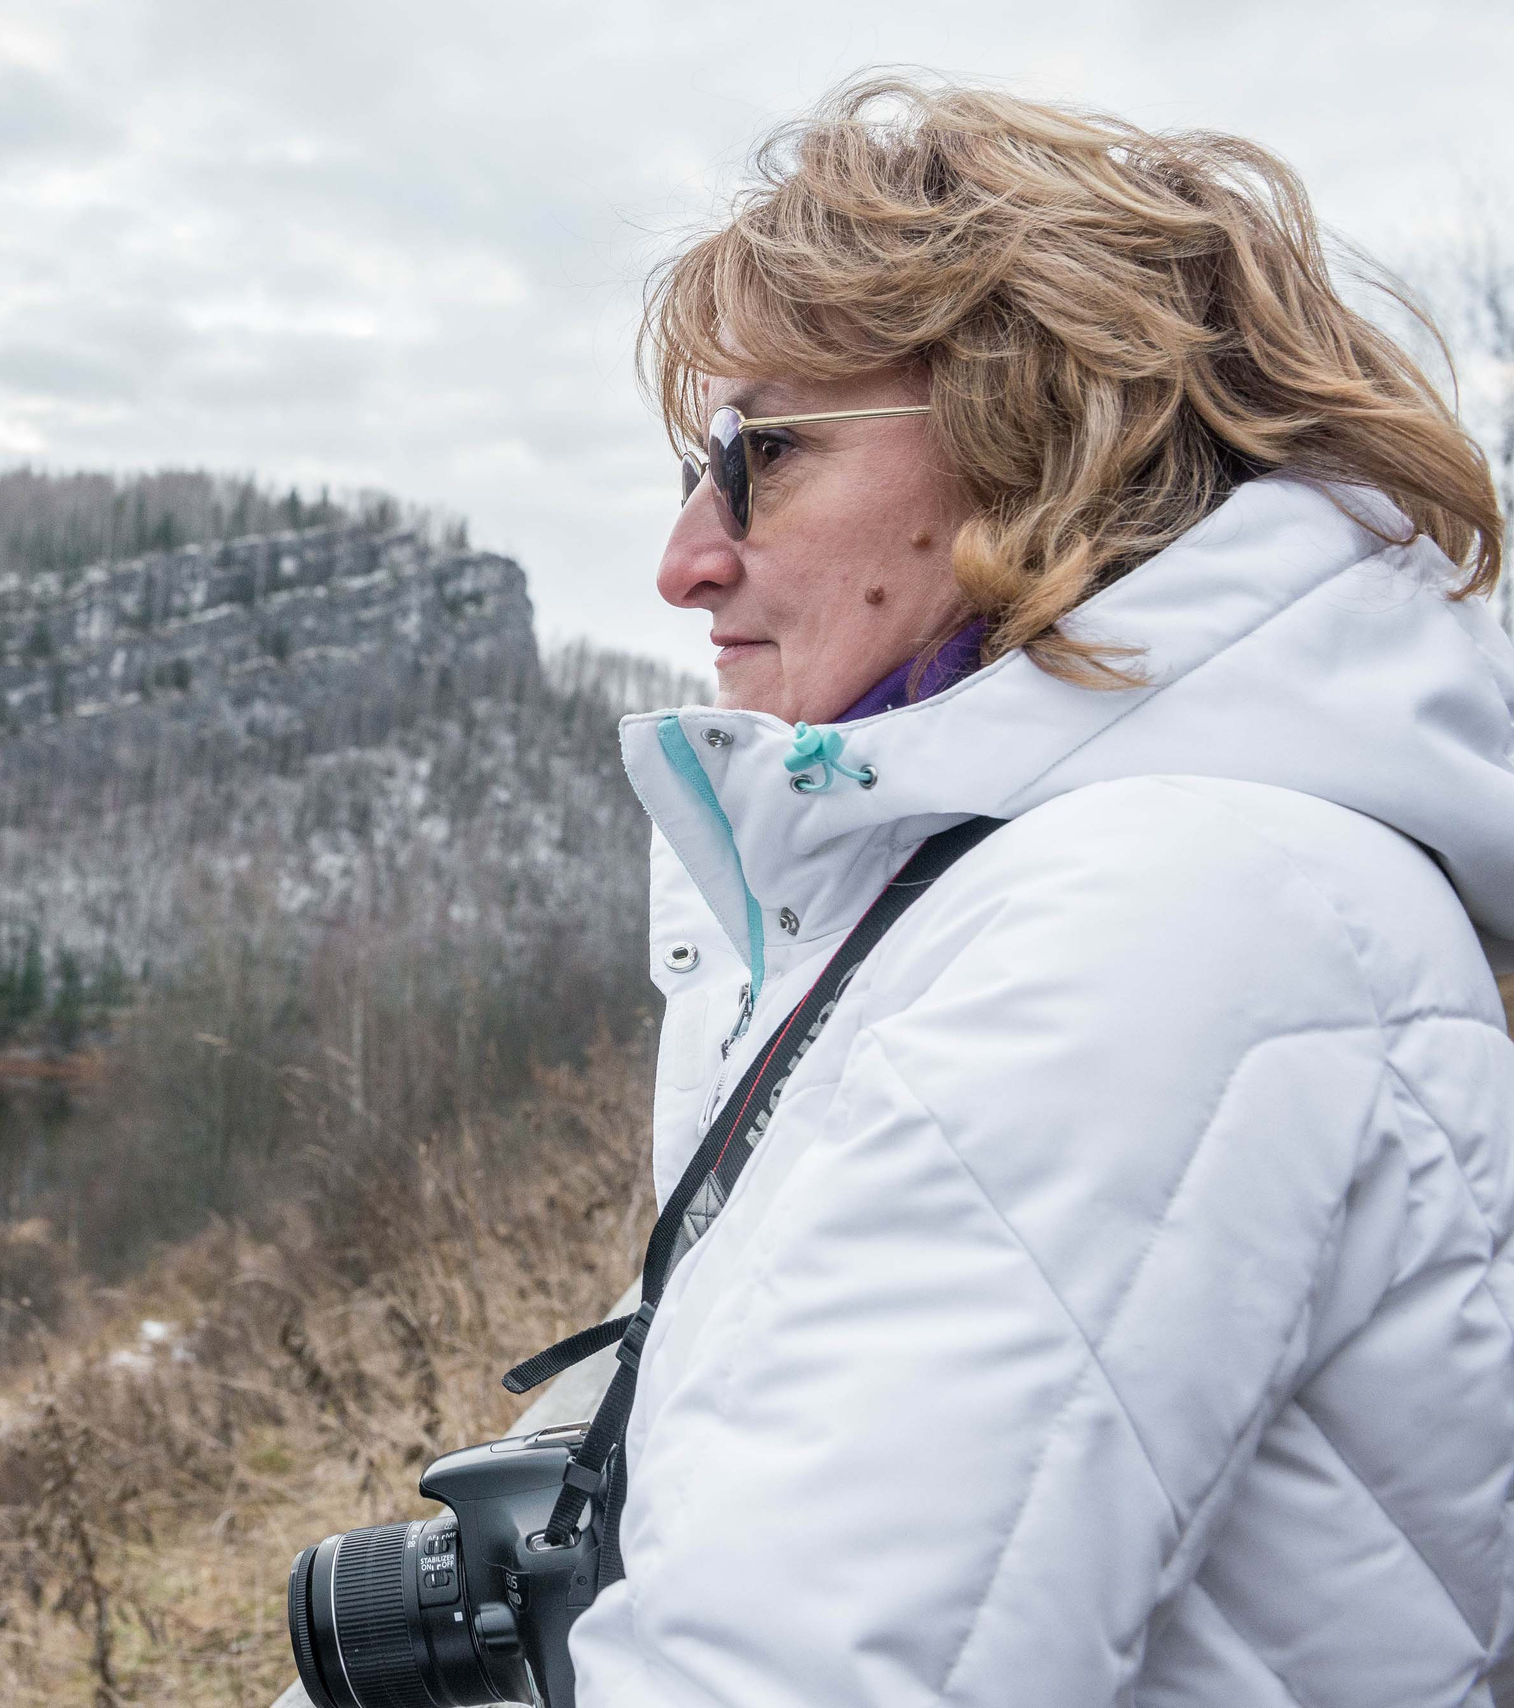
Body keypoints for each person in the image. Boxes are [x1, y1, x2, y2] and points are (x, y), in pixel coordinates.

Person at [569, 78, 1514, 1707]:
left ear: (1047, 433)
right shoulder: (1062, 883)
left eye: (761, 454)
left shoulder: (1169, 915)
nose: (685, 559)